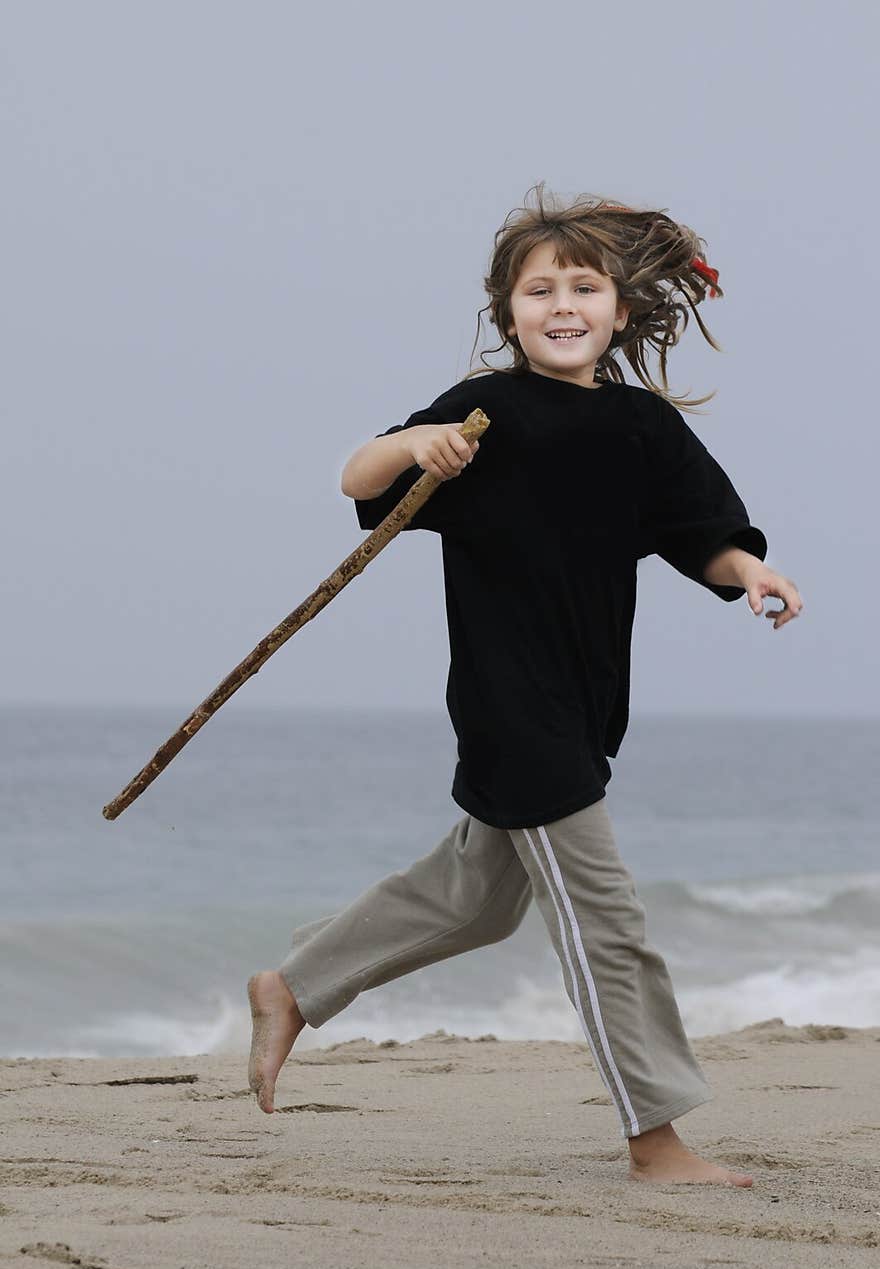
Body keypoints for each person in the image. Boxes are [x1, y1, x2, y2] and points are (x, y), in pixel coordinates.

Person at [247, 183, 803, 1186]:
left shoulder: (641, 428)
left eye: (582, 286)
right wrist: (419, 447)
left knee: (477, 898)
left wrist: (748, 572)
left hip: (585, 703)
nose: (561, 303)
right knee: (606, 923)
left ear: (618, 311)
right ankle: (655, 1136)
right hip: (512, 709)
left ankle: (293, 986)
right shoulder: (485, 412)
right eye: (538, 287)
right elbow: (357, 478)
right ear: (508, 312)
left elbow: (702, 533)